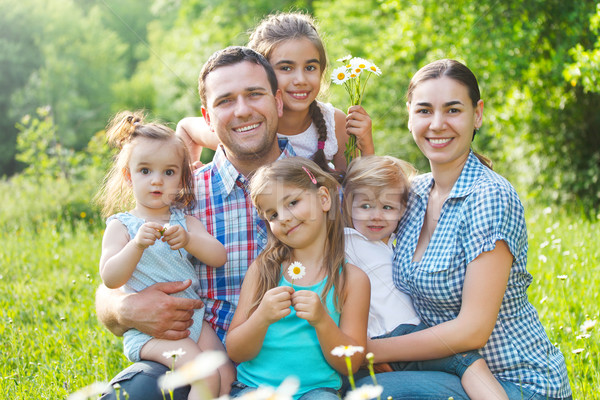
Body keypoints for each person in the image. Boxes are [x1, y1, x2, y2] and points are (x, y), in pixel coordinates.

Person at [355, 59, 572, 399]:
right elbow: (362, 218)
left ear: (477, 115)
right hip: (441, 368)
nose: (438, 124)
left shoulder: (489, 196)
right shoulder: (414, 194)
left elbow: (473, 331)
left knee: (367, 393)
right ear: (409, 117)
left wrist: (372, 351)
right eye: (425, 111)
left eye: (453, 110)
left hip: (515, 380)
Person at [96, 46, 296, 400]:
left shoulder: (317, 187)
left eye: (254, 94)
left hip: (292, 366)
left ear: (278, 102)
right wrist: (123, 308)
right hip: (194, 348)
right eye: (225, 101)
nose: (243, 110)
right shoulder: (180, 195)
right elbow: (109, 285)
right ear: (207, 116)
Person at [342, 155, 507, 400]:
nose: (376, 216)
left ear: (402, 210)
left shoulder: (395, 244)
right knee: (467, 361)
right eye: (365, 206)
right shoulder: (348, 241)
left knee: (464, 364)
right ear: (348, 206)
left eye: (387, 207)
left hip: (408, 337)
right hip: (389, 337)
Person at [95, 111, 233, 398]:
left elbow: (218, 256)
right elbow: (110, 277)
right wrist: (136, 246)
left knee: (226, 373)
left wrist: (189, 240)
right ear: (128, 176)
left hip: (194, 321)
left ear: (182, 178)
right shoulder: (122, 226)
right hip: (151, 332)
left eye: (168, 172)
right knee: (205, 374)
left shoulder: (185, 222)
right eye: (145, 171)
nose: (157, 181)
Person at [226, 157, 370, 399]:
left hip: (316, 391)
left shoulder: (352, 280)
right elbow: (236, 352)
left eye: (292, 202)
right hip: (256, 388)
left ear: (324, 199)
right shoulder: (264, 270)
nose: (283, 217)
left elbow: (352, 363)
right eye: (272, 215)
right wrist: (261, 317)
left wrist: (322, 321)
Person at [176, 12, 374, 172]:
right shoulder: (248, 126)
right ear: (263, 73)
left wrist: (366, 145)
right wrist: (188, 174)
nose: (301, 80)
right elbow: (186, 128)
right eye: (286, 68)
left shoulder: (334, 123)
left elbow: (353, 188)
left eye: (310, 67)